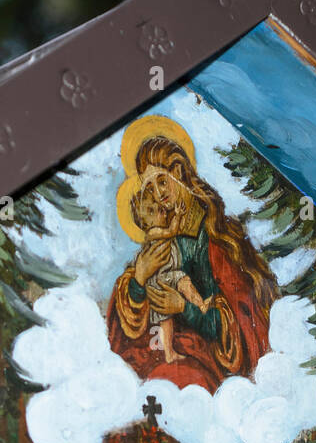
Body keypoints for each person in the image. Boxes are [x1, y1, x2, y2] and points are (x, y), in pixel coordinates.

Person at [108, 134, 278, 393]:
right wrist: (139, 280)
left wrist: (183, 307)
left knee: (174, 381)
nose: (157, 194)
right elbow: (127, 323)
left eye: (161, 181)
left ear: (178, 171)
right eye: (149, 188)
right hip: (168, 350)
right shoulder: (162, 238)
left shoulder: (218, 239)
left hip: (208, 364)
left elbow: (243, 327)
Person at [130, 186, 210, 365]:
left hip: (169, 273)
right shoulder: (154, 232)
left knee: (184, 283)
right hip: (160, 278)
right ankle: (169, 352)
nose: (158, 208)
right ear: (145, 223)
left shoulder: (175, 231)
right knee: (166, 320)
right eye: (151, 210)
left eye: (156, 205)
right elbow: (171, 231)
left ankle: (201, 305)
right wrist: (178, 215)